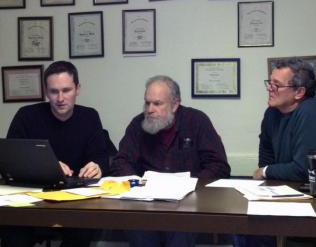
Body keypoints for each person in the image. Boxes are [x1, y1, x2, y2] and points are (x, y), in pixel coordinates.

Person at [235, 58, 316, 247]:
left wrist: (266, 171)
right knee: (245, 226)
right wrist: (267, 171)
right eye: (270, 83)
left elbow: (305, 169)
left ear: (299, 92)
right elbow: (266, 160)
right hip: (290, 191)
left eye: (277, 85)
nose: (270, 88)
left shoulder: (312, 112)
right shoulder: (271, 113)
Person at [112, 75, 231, 247]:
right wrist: (137, 185)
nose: (150, 109)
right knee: (136, 227)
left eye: (157, 103)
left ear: (175, 105)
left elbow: (218, 166)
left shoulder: (196, 121)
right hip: (145, 203)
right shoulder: (138, 124)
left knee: (181, 228)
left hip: (186, 203)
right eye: (147, 103)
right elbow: (121, 161)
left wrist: (191, 186)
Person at [1, 60, 110, 247]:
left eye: (66, 90)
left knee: (83, 230)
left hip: (75, 199)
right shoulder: (26, 116)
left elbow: (102, 155)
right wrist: (46, 165)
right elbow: (10, 158)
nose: (60, 98)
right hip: (32, 198)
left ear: (78, 89)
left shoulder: (90, 117)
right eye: (54, 91)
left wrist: (97, 165)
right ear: (46, 92)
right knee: (12, 230)